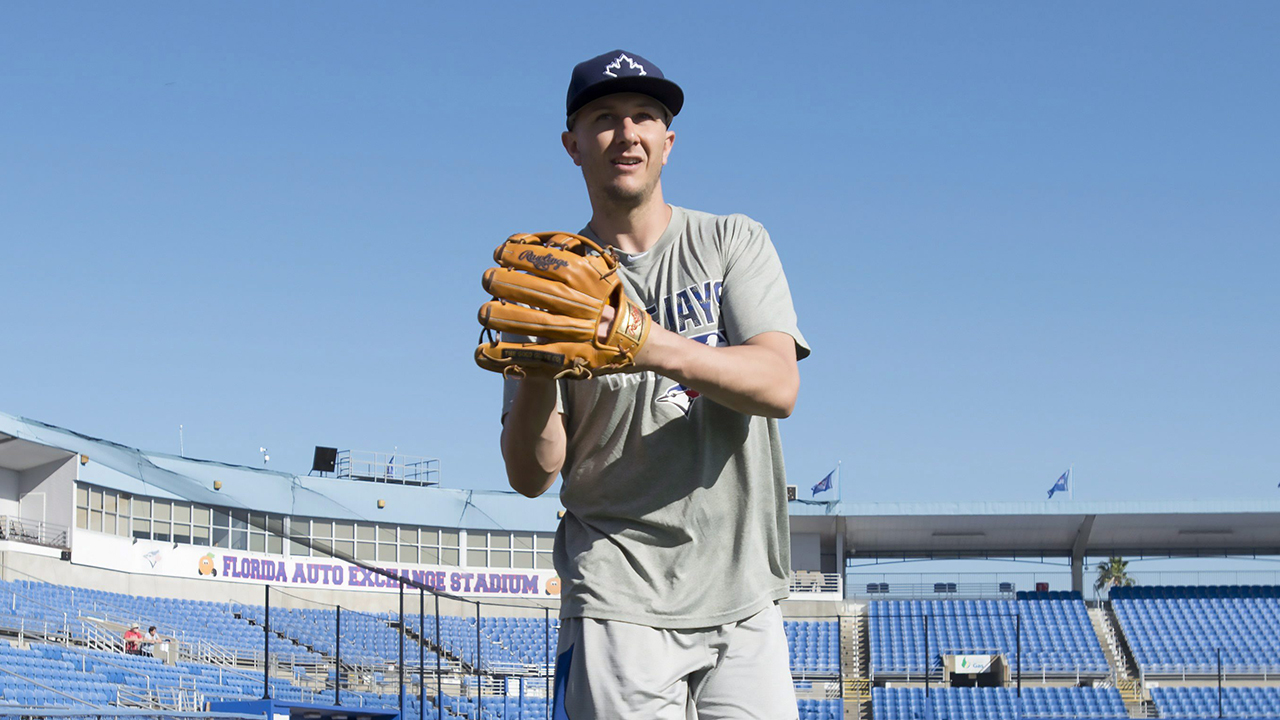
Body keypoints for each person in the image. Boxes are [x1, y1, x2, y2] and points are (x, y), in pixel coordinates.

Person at [498, 50, 809, 719]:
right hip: (618, 595)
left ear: (668, 142)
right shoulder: (550, 283)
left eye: (645, 116)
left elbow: (778, 385)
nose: (627, 133)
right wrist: (536, 374)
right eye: (604, 119)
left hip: (743, 591)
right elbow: (532, 473)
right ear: (572, 145)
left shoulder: (731, 242)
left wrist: (646, 342)